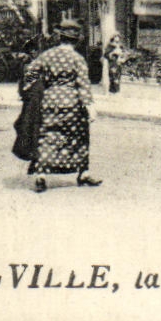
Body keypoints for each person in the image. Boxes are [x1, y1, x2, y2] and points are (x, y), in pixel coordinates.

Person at [21, 18, 102, 192]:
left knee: (47, 136)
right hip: (72, 102)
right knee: (78, 138)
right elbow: (83, 84)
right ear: (76, 40)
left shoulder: (48, 55)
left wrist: (34, 89)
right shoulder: (77, 58)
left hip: (50, 100)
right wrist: (90, 106)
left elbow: (30, 72)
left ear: (60, 38)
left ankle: (41, 176)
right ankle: (83, 173)